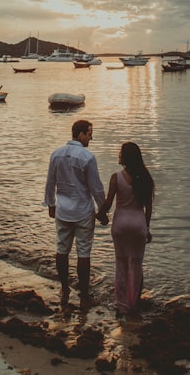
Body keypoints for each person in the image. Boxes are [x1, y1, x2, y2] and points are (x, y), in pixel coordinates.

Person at [43, 119, 108, 310]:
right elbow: (96, 188)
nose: (91, 137)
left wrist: (50, 204)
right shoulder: (87, 157)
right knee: (83, 252)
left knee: (62, 249)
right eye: (89, 133)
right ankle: (84, 296)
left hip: (63, 209)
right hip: (82, 211)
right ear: (80, 135)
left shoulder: (56, 154)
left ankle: (64, 289)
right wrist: (102, 210)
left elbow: (50, 182)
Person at [98, 141, 154, 317]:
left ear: (124, 157)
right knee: (136, 265)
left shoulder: (116, 177)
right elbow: (149, 207)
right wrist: (147, 227)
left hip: (120, 225)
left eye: (120, 153)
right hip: (138, 225)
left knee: (121, 264)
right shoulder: (145, 177)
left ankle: (121, 305)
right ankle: (133, 304)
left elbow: (108, 203)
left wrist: (99, 214)